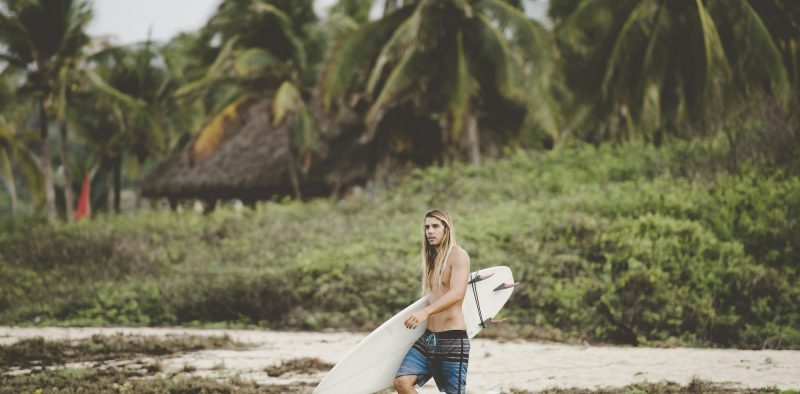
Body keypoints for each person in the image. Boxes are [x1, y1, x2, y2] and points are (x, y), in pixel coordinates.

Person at [394, 209, 471, 394]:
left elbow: (457, 293)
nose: (430, 231)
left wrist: (425, 312)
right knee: (402, 382)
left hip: (452, 340)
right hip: (429, 338)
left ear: (447, 229)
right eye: (427, 227)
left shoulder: (458, 255)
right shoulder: (432, 260)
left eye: (435, 226)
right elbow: (437, 296)